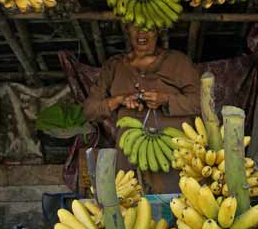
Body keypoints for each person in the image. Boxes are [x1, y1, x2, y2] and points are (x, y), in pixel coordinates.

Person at [83, 23, 201, 193]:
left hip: (175, 154)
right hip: (130, 154)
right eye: (135, 27)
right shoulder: (114, 66)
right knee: (131, 208)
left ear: (159, 31)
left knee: (179, 206)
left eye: (149, 28)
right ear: (126, 29)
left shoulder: (177, 61)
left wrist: (166, 99)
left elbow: (201, 102)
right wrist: (118, 100)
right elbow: (89, 110)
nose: (141, 33)